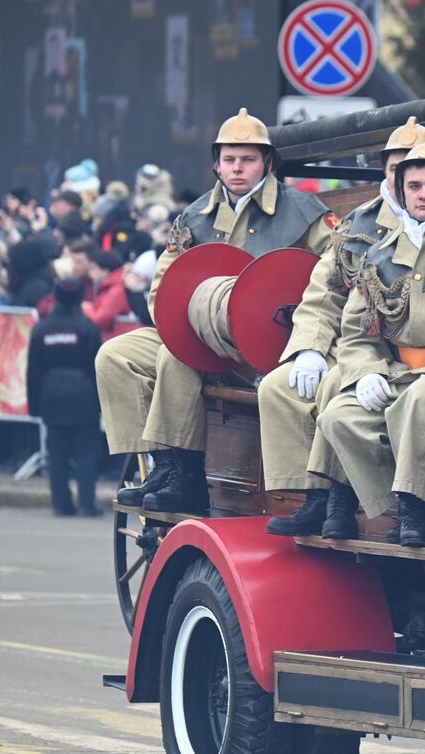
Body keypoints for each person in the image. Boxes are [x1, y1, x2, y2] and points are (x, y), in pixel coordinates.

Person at [97, 107, 333, 516]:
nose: (237, 168)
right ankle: (162, 466)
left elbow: (333, 275)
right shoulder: (195, 214)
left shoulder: (306, 212)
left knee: (176, 357)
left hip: (265, 344)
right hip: (198, 333)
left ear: (268, 162)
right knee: (114, 355)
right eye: (229, 159)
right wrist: (187, 325)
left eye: (248, 159)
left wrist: (306, 340)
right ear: (217, 164)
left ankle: (186, 477)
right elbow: (162, 288)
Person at [318, 137, 425, 548]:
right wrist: (366, 373)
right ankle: (401, 507)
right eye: (414, 186)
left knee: (420, 400)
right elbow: (357, 332)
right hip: (403, 369)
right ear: (401, 191)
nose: (424, 194)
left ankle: (414, 507)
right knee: (338, 417)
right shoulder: (379, 251)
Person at [261, 118, 425, 540]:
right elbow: (323, 294)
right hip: (354, 343)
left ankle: (339, 498)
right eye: (395, 166)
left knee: (337, 385)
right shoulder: (358, 225)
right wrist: (309, 349)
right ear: (385, 171)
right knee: (278, 386)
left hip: (399, 353)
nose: (405, 176)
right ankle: (310, 496)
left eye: (415, 166)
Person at [26, 278, 103, 516]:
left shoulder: (42, 328)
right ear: (81, 299)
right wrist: (101, 402)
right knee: (86, 452)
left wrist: (34, 405)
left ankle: (61, 504)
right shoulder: (87, 328)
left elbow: (34, 370)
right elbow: (97, 367)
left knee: (56, 452)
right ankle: (86, 504)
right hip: (83, 394)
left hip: (51, 394)